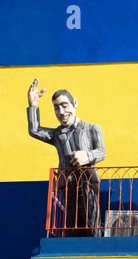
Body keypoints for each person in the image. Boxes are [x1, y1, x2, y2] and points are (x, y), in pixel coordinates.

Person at [27, 78, 105, 237]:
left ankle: (94, 247)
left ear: (74, 103)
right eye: (56, 108)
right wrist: (33, 105)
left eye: (64, 106)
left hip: (89, 182)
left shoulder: (92, 128)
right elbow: (34, 130)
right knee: (71, 224)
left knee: (91, 221)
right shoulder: (56, 134)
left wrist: (87, 155)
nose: (61, 112)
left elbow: (102, 152)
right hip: (67, 184)